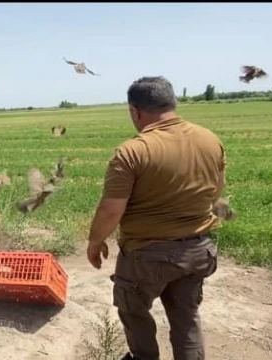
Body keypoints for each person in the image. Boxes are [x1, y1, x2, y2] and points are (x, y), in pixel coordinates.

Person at [86, 76, 227, 360]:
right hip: (197, 251)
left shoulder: (132, 151)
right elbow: (217, 191)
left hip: (146, 256)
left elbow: (112, 209)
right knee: (186, 317)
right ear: (172, 104)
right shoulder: (210, 140)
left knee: (134, 312)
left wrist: (95, 241)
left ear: (134, 111)